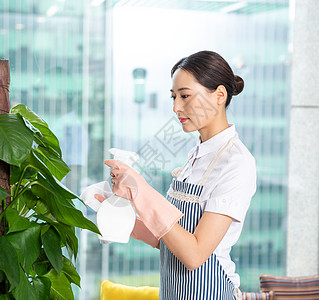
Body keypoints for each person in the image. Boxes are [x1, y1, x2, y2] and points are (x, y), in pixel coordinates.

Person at [100, 50, 256, 300]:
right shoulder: (195, 156)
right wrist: (117, 208)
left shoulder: (236, 163)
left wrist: (143, 191)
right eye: (174, 97)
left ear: (219, 95)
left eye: (185, 96)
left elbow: (194, 255)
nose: (176, 107)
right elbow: (169, 239)